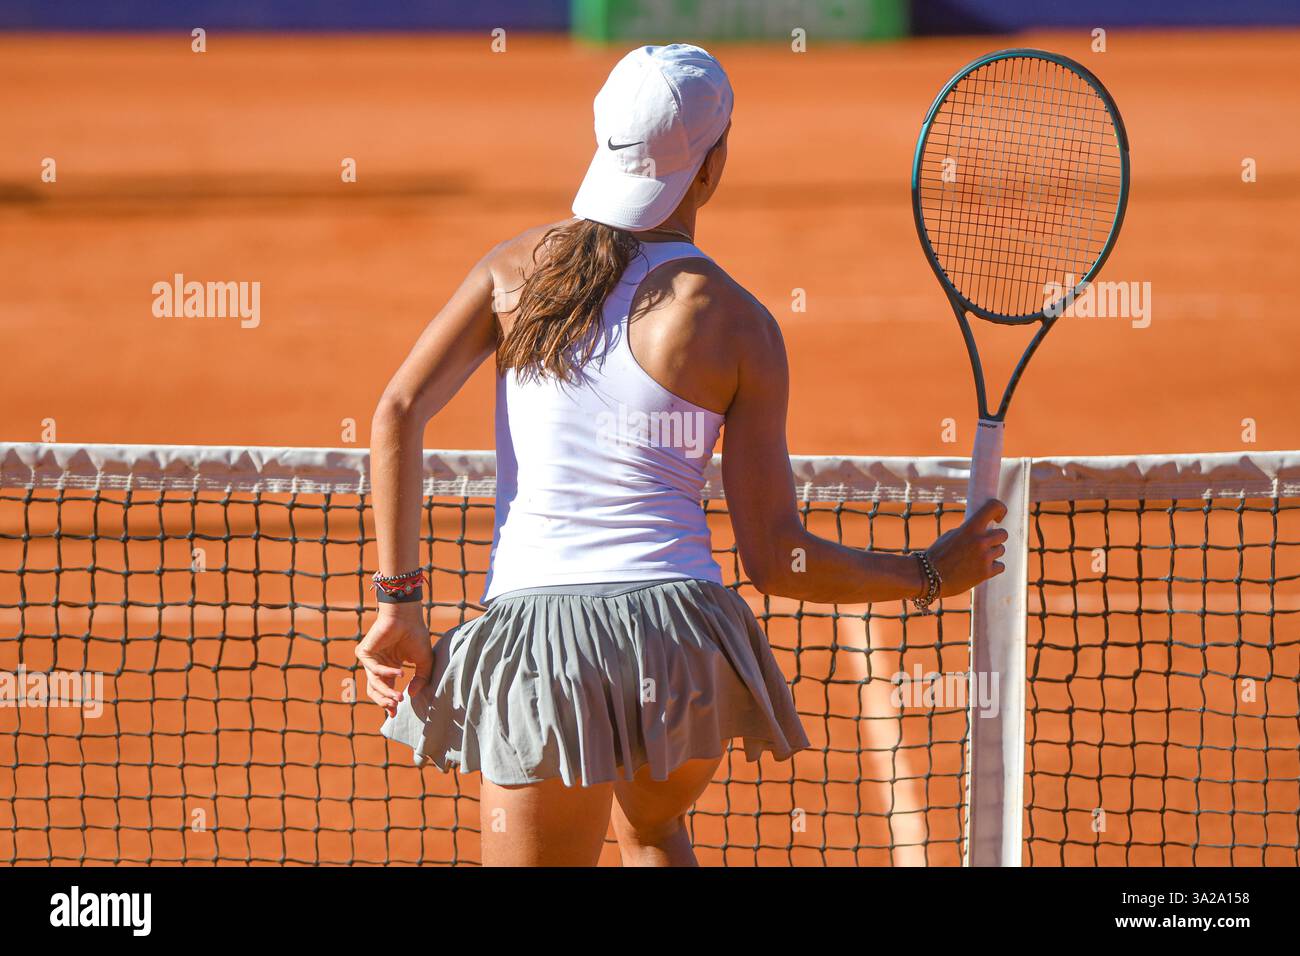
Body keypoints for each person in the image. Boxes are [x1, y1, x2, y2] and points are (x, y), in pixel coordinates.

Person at [356, 43, 1006, 867]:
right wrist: (928, 573)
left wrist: (400, 605)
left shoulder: (513, 269)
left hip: (544, 653)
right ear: (712, 167)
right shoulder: (737, 321)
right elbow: (777, 561)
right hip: (685, 647)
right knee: (653, 826)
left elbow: (398, 411)